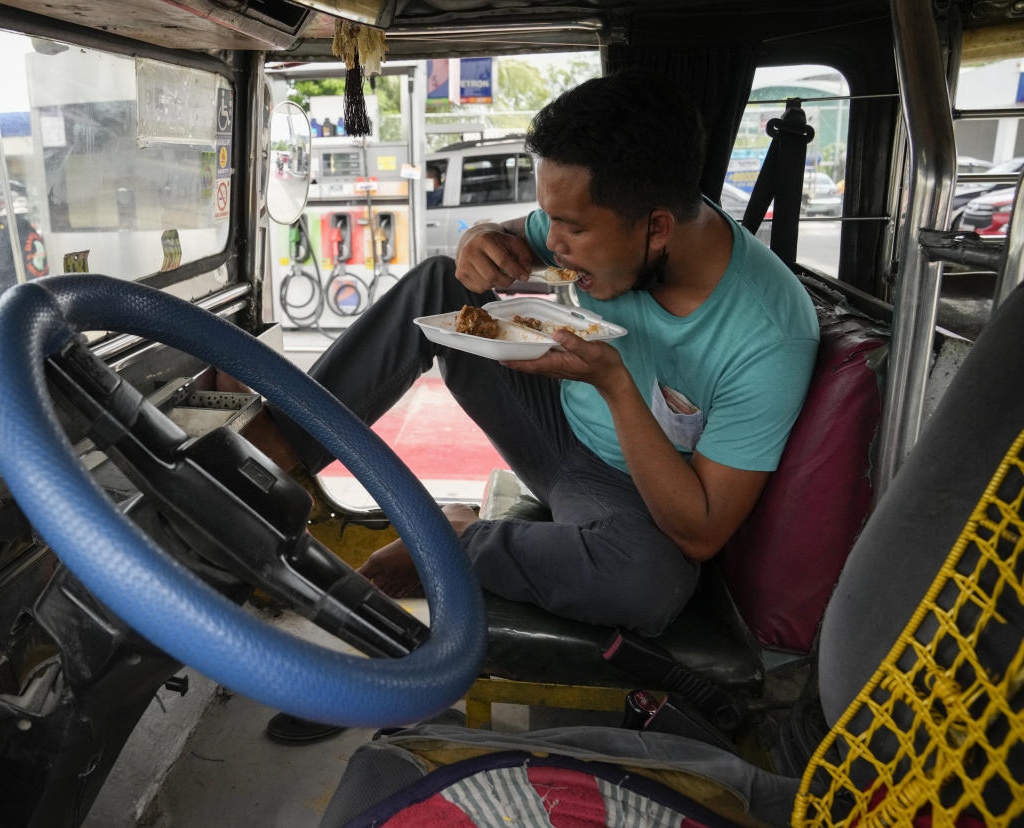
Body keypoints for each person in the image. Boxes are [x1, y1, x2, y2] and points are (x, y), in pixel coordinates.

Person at [239, 70, 819, 638]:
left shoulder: (769, 334)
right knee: (440, 280)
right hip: (547, 421)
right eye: (550, 220)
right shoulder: (605, 226)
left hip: (627, 492)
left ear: (658, 228)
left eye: (570, 228)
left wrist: (615, 385)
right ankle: (252, 466)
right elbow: (502, 240)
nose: (552, 242)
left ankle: (457, 539)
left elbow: (702, 533)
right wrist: (477, 241)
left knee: (649, 583)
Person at [0, 180, 49, 307]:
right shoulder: (25, 228)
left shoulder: (11, 232)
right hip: (23, 295)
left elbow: (21, 271)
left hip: (14, 300)